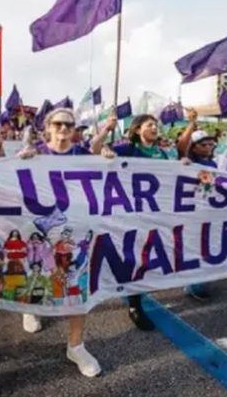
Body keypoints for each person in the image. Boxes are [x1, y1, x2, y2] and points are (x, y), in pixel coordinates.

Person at [17, 108, 104, 377]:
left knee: (77, 285)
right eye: (58, 123)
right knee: (39, 276)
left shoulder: (83, 156)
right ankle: (31, 309)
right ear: (48, 127)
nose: (64, 128)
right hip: (42, 228)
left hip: (76, 230)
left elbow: (108, 177)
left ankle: (76, 346)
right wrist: (21, 162)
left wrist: (108, 159)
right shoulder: (35, 153)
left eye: (69, 124)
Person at [91, 113, 167, 331]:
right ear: (137, 129)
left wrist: (185, 165)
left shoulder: (163, 153)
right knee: (132, 256)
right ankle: (134, 305)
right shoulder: (127, 149)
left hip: (154, 213)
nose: (155, 127)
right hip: (128, 212)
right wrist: (106, 132)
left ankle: (135, 296)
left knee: (145, 256)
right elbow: (95, 149)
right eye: (150, 124)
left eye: (156, 124)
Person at [179, 125, 217, 301]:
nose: (209, 148)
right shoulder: (187, 162)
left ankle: (201, 279)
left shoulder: (214, 164)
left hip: (207, 210)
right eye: (204, 145)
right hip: (189, 211)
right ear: (194, 147)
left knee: (206, 245)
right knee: (191, 245)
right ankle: (192, 283)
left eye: (211, 144)